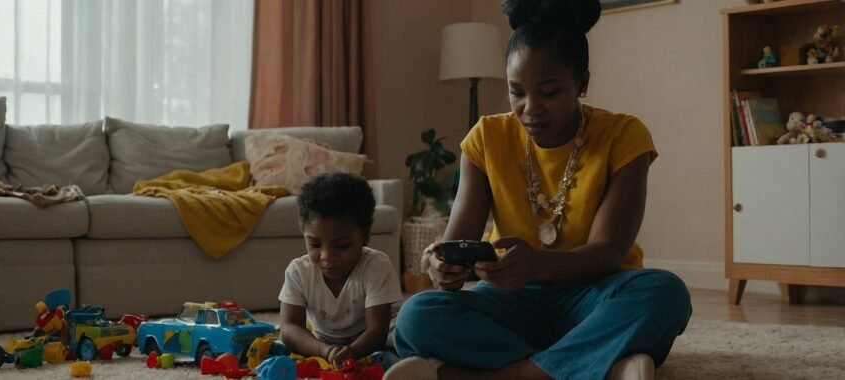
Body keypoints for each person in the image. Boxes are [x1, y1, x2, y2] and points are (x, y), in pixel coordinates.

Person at [385, 0, 692, 379]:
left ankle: (500, 374)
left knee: (665, 293)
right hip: (510, 301)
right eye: (517, 92)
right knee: (416, 315)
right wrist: (443, 266)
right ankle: (595, 364)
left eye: (548, 92)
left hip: (593, 295)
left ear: (581, 84)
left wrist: (538, 263)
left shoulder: (624, 136)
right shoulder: (485, 138)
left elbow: (609, 252)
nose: (530, 108)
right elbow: (459, 245)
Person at [277, 172, 403, 368]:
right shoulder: (298, 271)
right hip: (321, 344)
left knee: (399, 345)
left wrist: (353, 352)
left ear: (365, 236)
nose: (327, 256)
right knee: (279, 349)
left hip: (371, 343)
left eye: (342, 245)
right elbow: (289, 327)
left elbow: (377, 330)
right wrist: (323, 350)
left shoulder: (376, 266)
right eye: (315, 244)